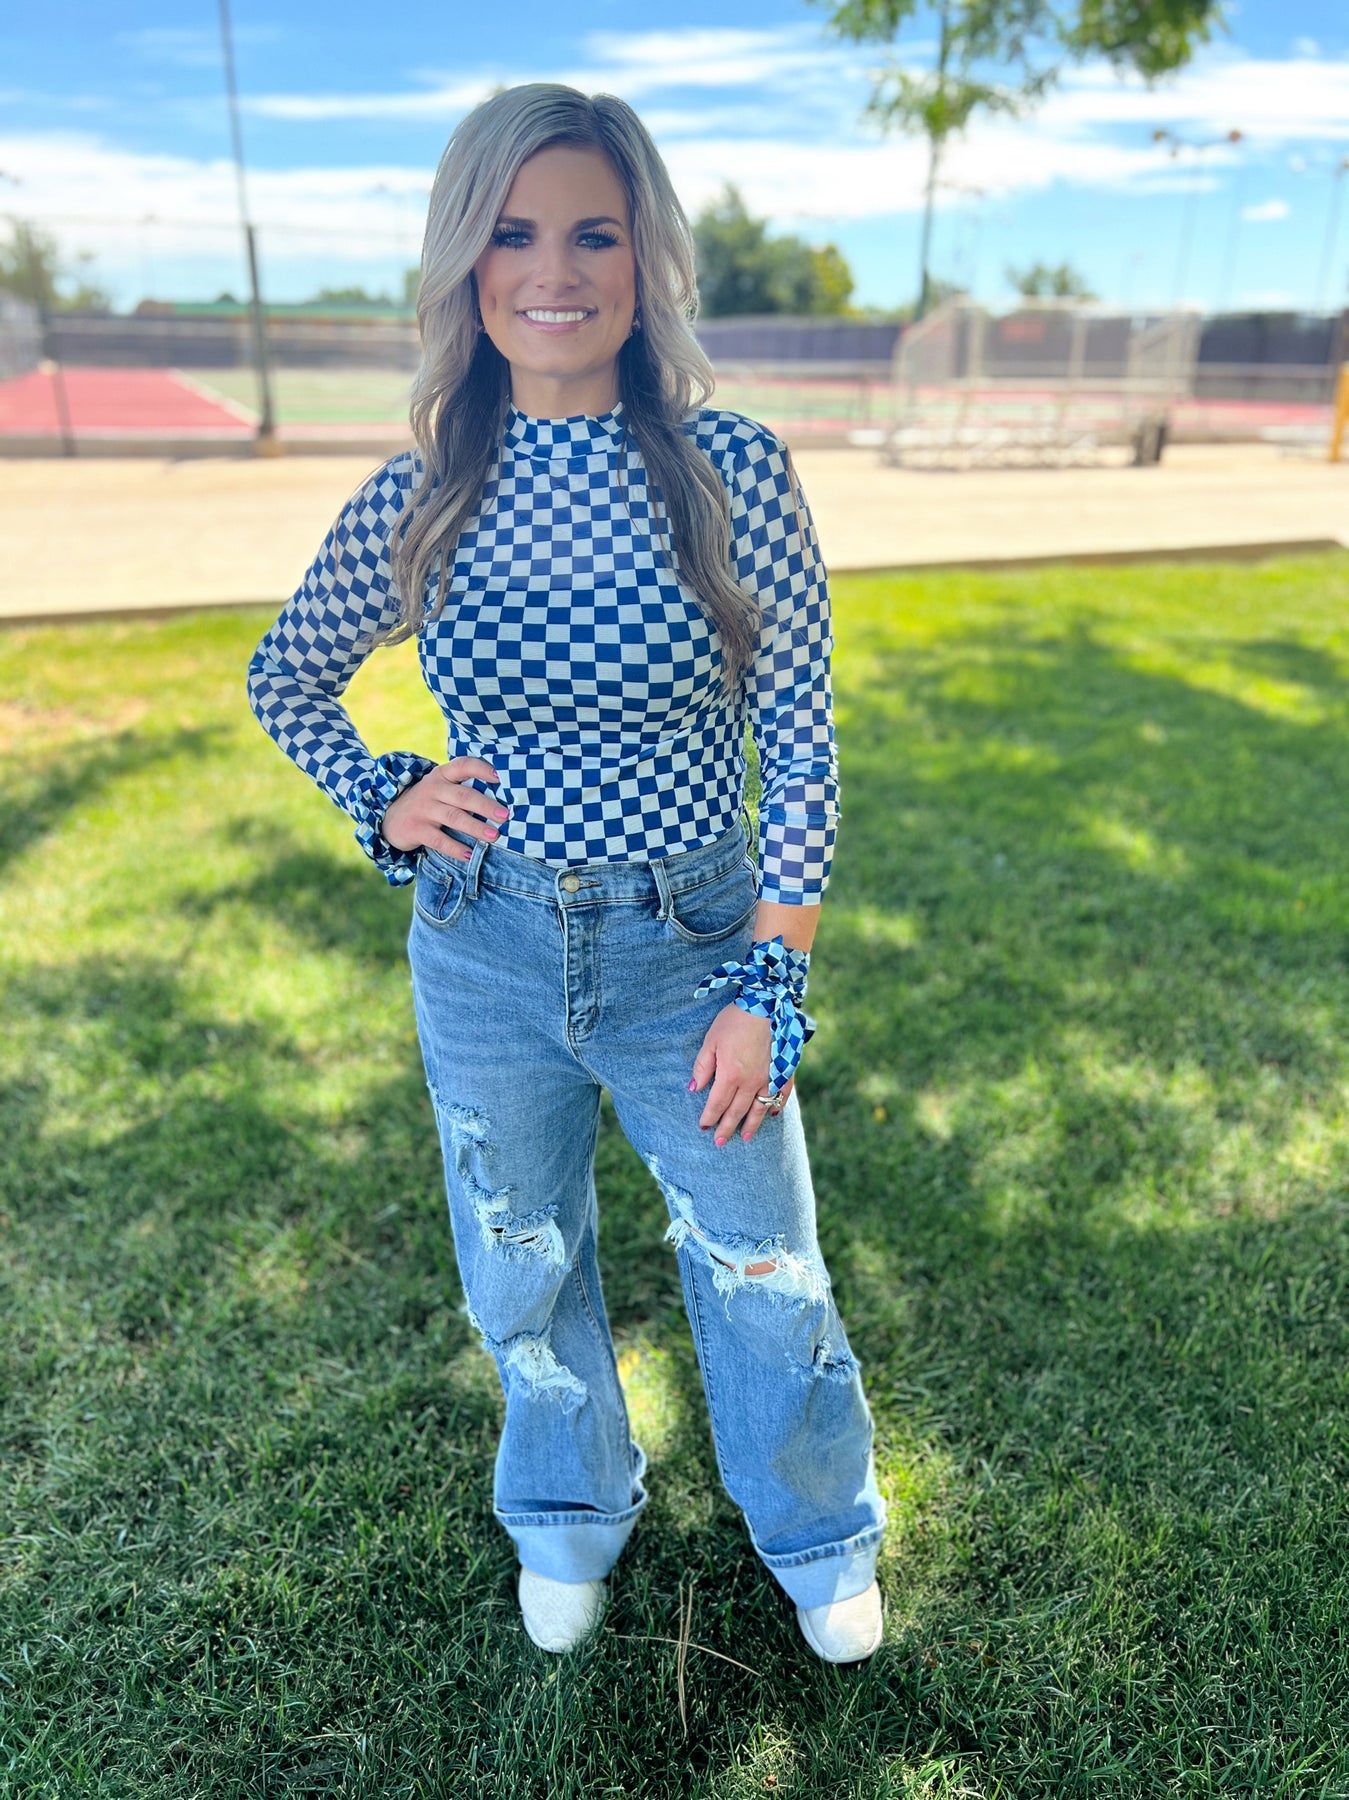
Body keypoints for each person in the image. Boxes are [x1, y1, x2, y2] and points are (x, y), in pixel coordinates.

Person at [246, 82, 886, 1663]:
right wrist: (387, 797)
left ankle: (817, 1530)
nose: (553, 270)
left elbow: (798, 734)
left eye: (593, 233)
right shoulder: (422, 493)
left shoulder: (728, 468)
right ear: (463, 264)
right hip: (486, 949)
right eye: (512, 233)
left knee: (761, 1258)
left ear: (642, 259)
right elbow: (285, 675)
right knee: (518, 1258)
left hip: (692, 940)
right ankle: (564, 1513)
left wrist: (770, 976)